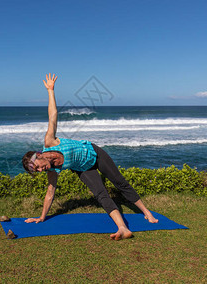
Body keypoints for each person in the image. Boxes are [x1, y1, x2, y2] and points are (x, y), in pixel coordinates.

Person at [22, 73, 158, 240]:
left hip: (95, 153)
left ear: (39, 155)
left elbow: (53, 116)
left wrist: (50, 90)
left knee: (119, 182)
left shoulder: (50, 142)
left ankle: (147, 212)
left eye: (39, 166)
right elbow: (50, 192)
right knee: (101, 195)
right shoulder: (53, 170)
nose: (42, 170)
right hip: (84, 169)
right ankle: (122, 228)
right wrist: (42, 217)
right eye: (38, 171)